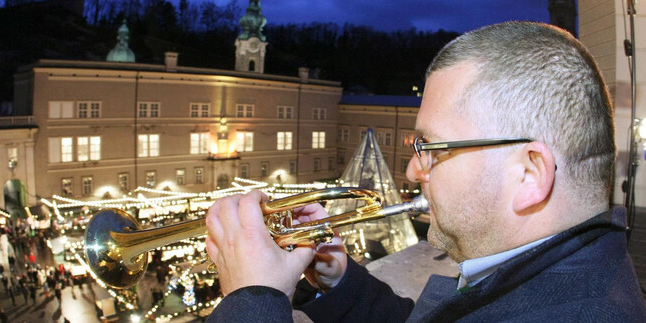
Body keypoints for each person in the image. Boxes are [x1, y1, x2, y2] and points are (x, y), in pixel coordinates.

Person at [203, 21, 646, 322]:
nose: (414, 170)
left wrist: (251, 301)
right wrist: (338, 283)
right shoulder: (558, 276)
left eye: (431, 147)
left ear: (529, 175)